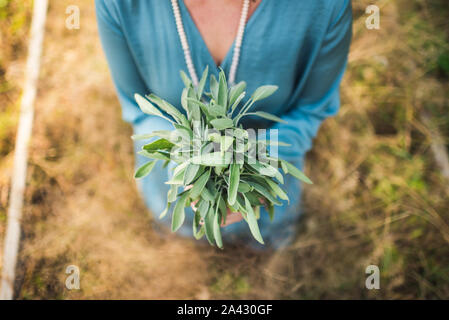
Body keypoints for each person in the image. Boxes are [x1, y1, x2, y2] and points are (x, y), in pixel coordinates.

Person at [95, 0, 353, 249]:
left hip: (268, 194)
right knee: (179, 253)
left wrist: (257, 169)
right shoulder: (120, 4)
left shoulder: (324, 6)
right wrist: (187, 170)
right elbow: (139, 108)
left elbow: (310, 110)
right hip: (173, 189)